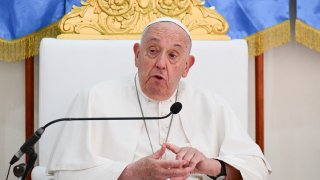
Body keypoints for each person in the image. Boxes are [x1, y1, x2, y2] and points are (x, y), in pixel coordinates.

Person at [47, 17, 272, 180]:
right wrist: (129, 173)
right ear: (137, 55)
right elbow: (64, 172)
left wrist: (209, 165)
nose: (161, 63)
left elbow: (257, 169)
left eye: (173, 55)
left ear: (187, 66)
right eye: (153, 51)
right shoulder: (93, 99)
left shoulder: (211, 105)